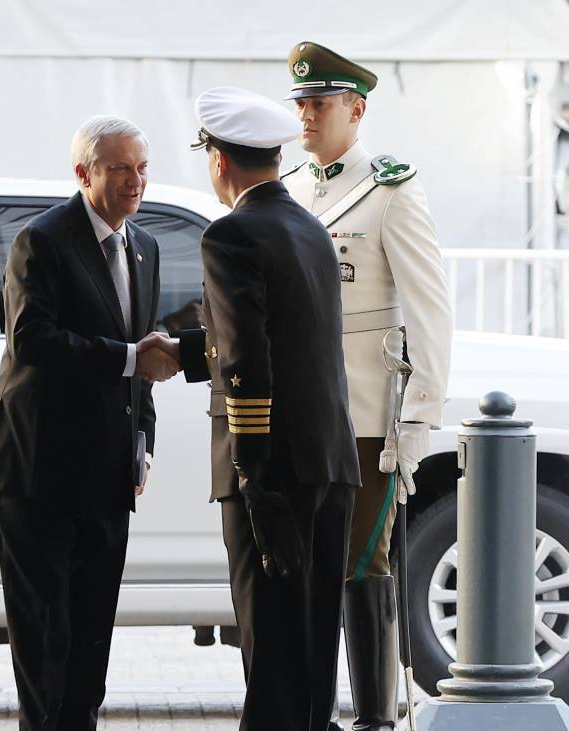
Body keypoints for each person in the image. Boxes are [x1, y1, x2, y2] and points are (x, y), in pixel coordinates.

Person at [148, 86, 361, 730]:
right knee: (313, 648)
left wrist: (254, 474)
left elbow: (246, 363)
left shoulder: (231, 235)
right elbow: (277, 337)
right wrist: (186, 352)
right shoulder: (308, 227)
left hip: (276, 471)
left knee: (269, 650)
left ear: (218, 160)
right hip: (329, 460)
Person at [0, 115, 176, 731]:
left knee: (92, 625)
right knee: (44, 627)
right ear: (83, 173)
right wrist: (126, 359)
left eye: (142, 167)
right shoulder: (43, 240)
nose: (135, 181)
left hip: (109, 470)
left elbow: (144, 354)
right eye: (119, 169)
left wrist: (142, 442)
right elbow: (33, 340)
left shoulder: (145, 243)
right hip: (38, 468)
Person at [281, 42, 453, 730]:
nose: (306, 114)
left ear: (356, 108)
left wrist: (416, 419)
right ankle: (313, 712)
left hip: (364, 419)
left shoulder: (390, 191)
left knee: (361, 559)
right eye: (299, 103)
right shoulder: (292, 189)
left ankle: (377, 716)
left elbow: (429, 310)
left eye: (319, 103)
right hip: (302, 417)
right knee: (307, 568)